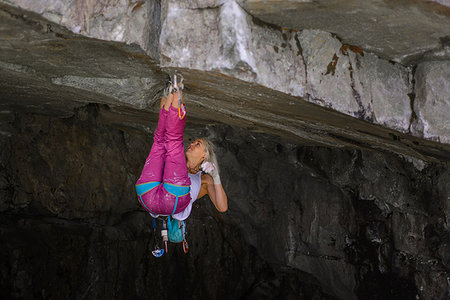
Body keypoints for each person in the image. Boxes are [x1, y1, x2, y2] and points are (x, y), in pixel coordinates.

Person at [135, 79, 228, 221]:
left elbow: (222, 208)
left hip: (159, 198)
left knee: (169, 140)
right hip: (148, 197)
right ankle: (171, 93)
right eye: (193, 142)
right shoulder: (177, 163)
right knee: (162, 140)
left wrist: (216, 177)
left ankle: (177, 90)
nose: (191, 144)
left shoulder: (205, 180)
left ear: (204, 156)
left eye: (198, 144)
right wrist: (166, 98)